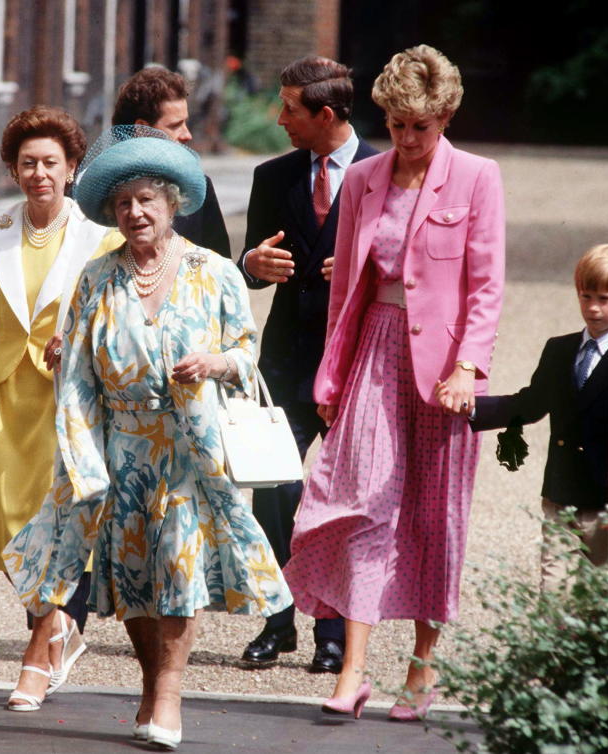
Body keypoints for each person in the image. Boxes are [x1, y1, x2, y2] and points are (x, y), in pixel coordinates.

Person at [3, 128, 292, 750]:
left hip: (191, 449)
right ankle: (149, 681)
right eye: (125, 203)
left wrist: (216, 362)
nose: (136, 213)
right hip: (122, 448)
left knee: (180, 568)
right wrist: (81, 452)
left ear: (172, 204)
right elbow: (77, 370)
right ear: (113, 211)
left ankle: (169, 693)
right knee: (133, 576)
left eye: (148, 201)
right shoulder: (96, 277)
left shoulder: (214, 272)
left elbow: (248, 354)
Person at [282, 44, 505, 720]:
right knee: (360, 507)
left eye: (422, 126)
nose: (408, 140)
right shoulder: (364, 180)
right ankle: (352, 673)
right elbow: (348, 288)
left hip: (444, 372)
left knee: (434, 513)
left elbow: (487, 286)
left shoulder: (478, 177)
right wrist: (332, 376)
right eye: (398, 124)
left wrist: (469, 367)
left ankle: (420, 670)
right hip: (375, 353)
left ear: (445, 117)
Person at [0, 106, 114, 712]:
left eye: (51, 163)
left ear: (71, 170)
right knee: (11, 529)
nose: (39, 173)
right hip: (4, 400)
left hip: (72, 401)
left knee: (63, 526)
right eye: (28, 163)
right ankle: (60, 626)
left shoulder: (100, 237)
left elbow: (115, 314)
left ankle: (39, 655)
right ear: (14, 170)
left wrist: (82, 340)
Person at [237, 55, 377, 673]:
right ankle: (277, 620)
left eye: (289, 108)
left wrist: (365, 275)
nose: (278, 118)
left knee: (341, 497)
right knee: (274, 486)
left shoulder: (385, 171)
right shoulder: (273, 176)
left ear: (325, 114)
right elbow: (253, 259)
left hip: (357, 360)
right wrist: (251, 266)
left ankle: (331, 632)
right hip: (287, 361)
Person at [462, 244, 608, 590]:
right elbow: (530, 404)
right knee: (554, 595)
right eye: (586, 295)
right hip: (562, 495)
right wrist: (471, 407)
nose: (592, 308)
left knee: (605, 598)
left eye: (605, 298)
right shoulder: (560, 349)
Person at [113, 66, 232, 258]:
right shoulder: (101, 191)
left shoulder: (197, 187)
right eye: (175, 125)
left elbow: (220, 270)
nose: (187, 135)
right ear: (143, 129)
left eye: (186, 123)